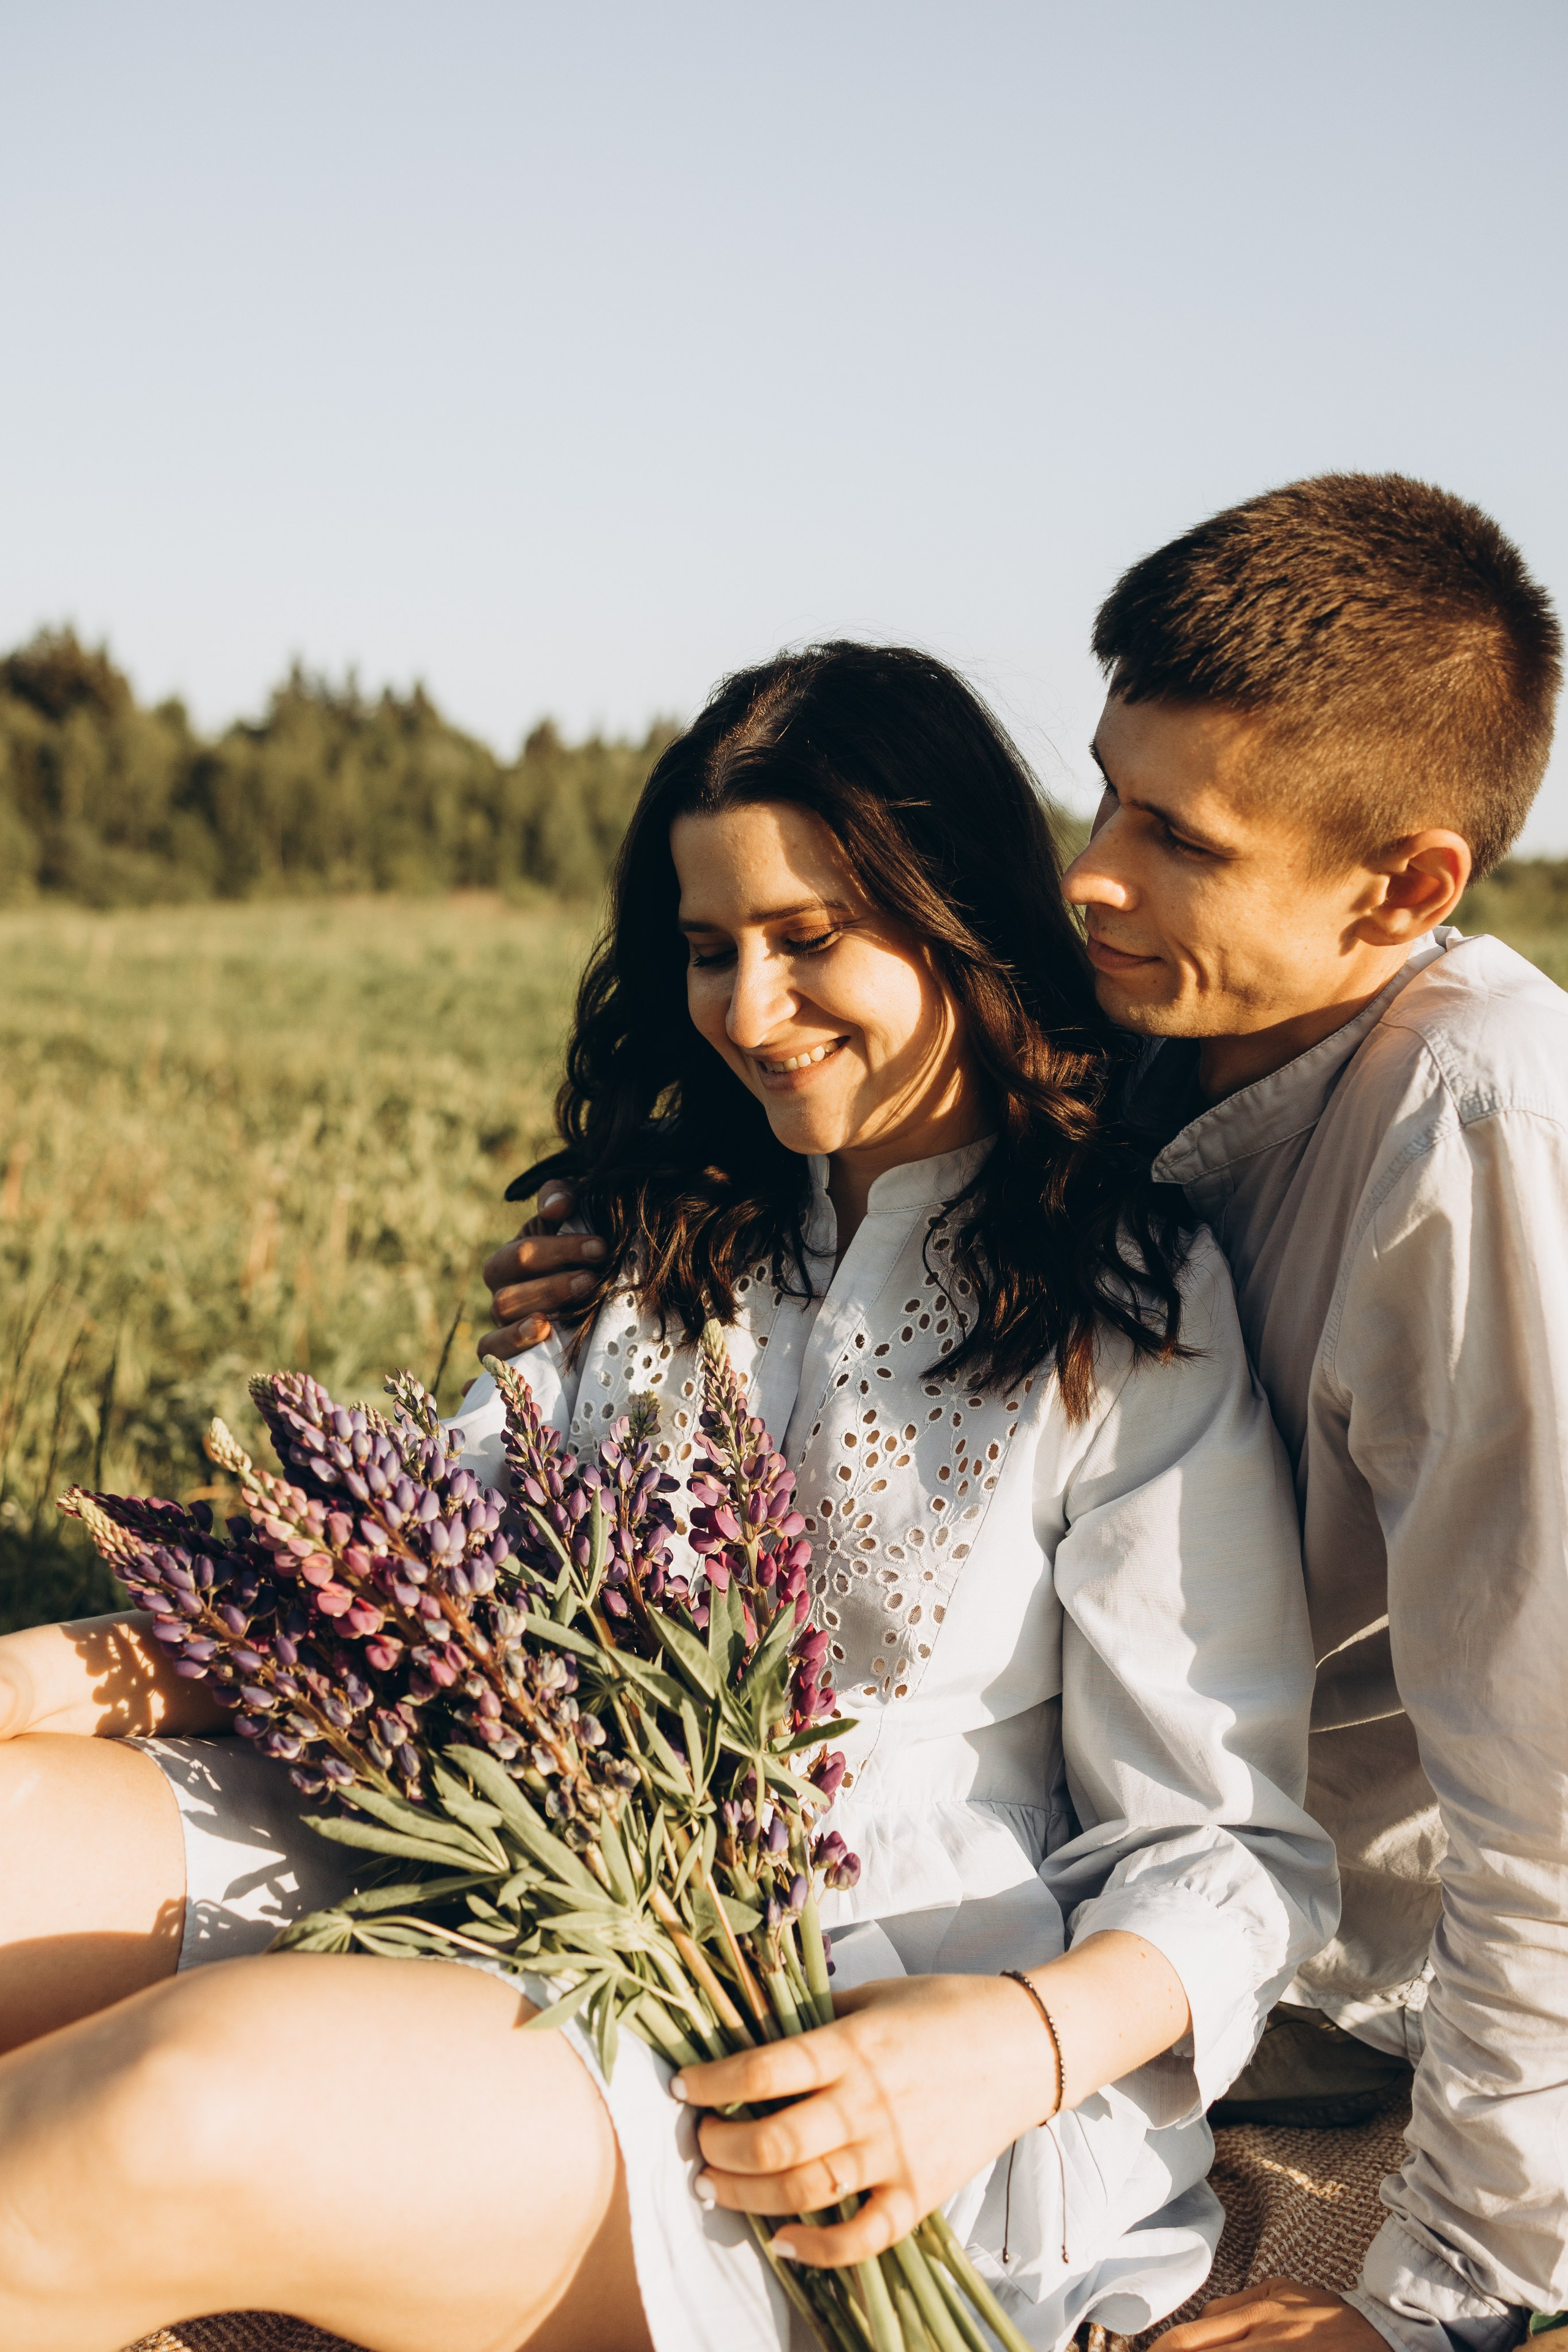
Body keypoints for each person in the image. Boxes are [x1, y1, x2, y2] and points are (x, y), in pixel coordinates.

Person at [0, 643, 1335, 2352]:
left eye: (809, 939)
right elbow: (412, 1595)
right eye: (710, 952)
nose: (751, 1012)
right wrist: (63, 1669)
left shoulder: (1124, 1310)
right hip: (487, 1845)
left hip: (815, 2018)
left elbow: (1232, 1854)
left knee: (164, 2119)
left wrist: (1002, 2047)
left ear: (956, 919)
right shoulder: (653, 1241)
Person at [489, 480, 1568, 2352]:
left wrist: (1439, 2311)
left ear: (1397, 891)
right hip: (1034, 1828)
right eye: (1106, 792)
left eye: (1179, 836)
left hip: (1316, 1961)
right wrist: (643, 1255)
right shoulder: (1158, 1010)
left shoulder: (1482, 1126)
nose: (1092, 874)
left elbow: (1552, 1795)